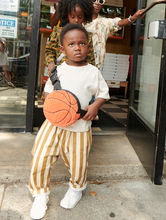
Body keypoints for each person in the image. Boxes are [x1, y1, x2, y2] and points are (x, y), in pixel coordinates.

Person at [29, 23, 110, 220]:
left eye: (82, 43)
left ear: (88, 46)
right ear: (63, 49)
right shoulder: (58, 71)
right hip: (53, 125)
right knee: (40, 157)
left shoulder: (93, 71)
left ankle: (76, 189)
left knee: (78, 163)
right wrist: (53, 105)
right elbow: (48, 92)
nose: (77, 47)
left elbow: (103, 93)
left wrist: (95, 105)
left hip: (80, 127)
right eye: (71, 44)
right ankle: (41, 194)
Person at [84, 0, 144, 69]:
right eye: (94, 0)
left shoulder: (104, 22)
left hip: (94, 64)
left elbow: (118, 23)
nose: (97, 3)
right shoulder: (79, 19)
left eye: (100, 1)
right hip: (77, 60)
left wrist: (133, 18)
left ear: (102, 6)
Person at [45, 0, 95, 76]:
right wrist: (50, 64)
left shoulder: (87, 37)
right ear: (67, 15)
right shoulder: (58, 33)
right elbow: (49, 51)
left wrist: (90, 74)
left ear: (85, 16)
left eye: (80, 17)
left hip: (79, 76)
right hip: (60, 75)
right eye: (72, 17)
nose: (76, 20)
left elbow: (90, 59)